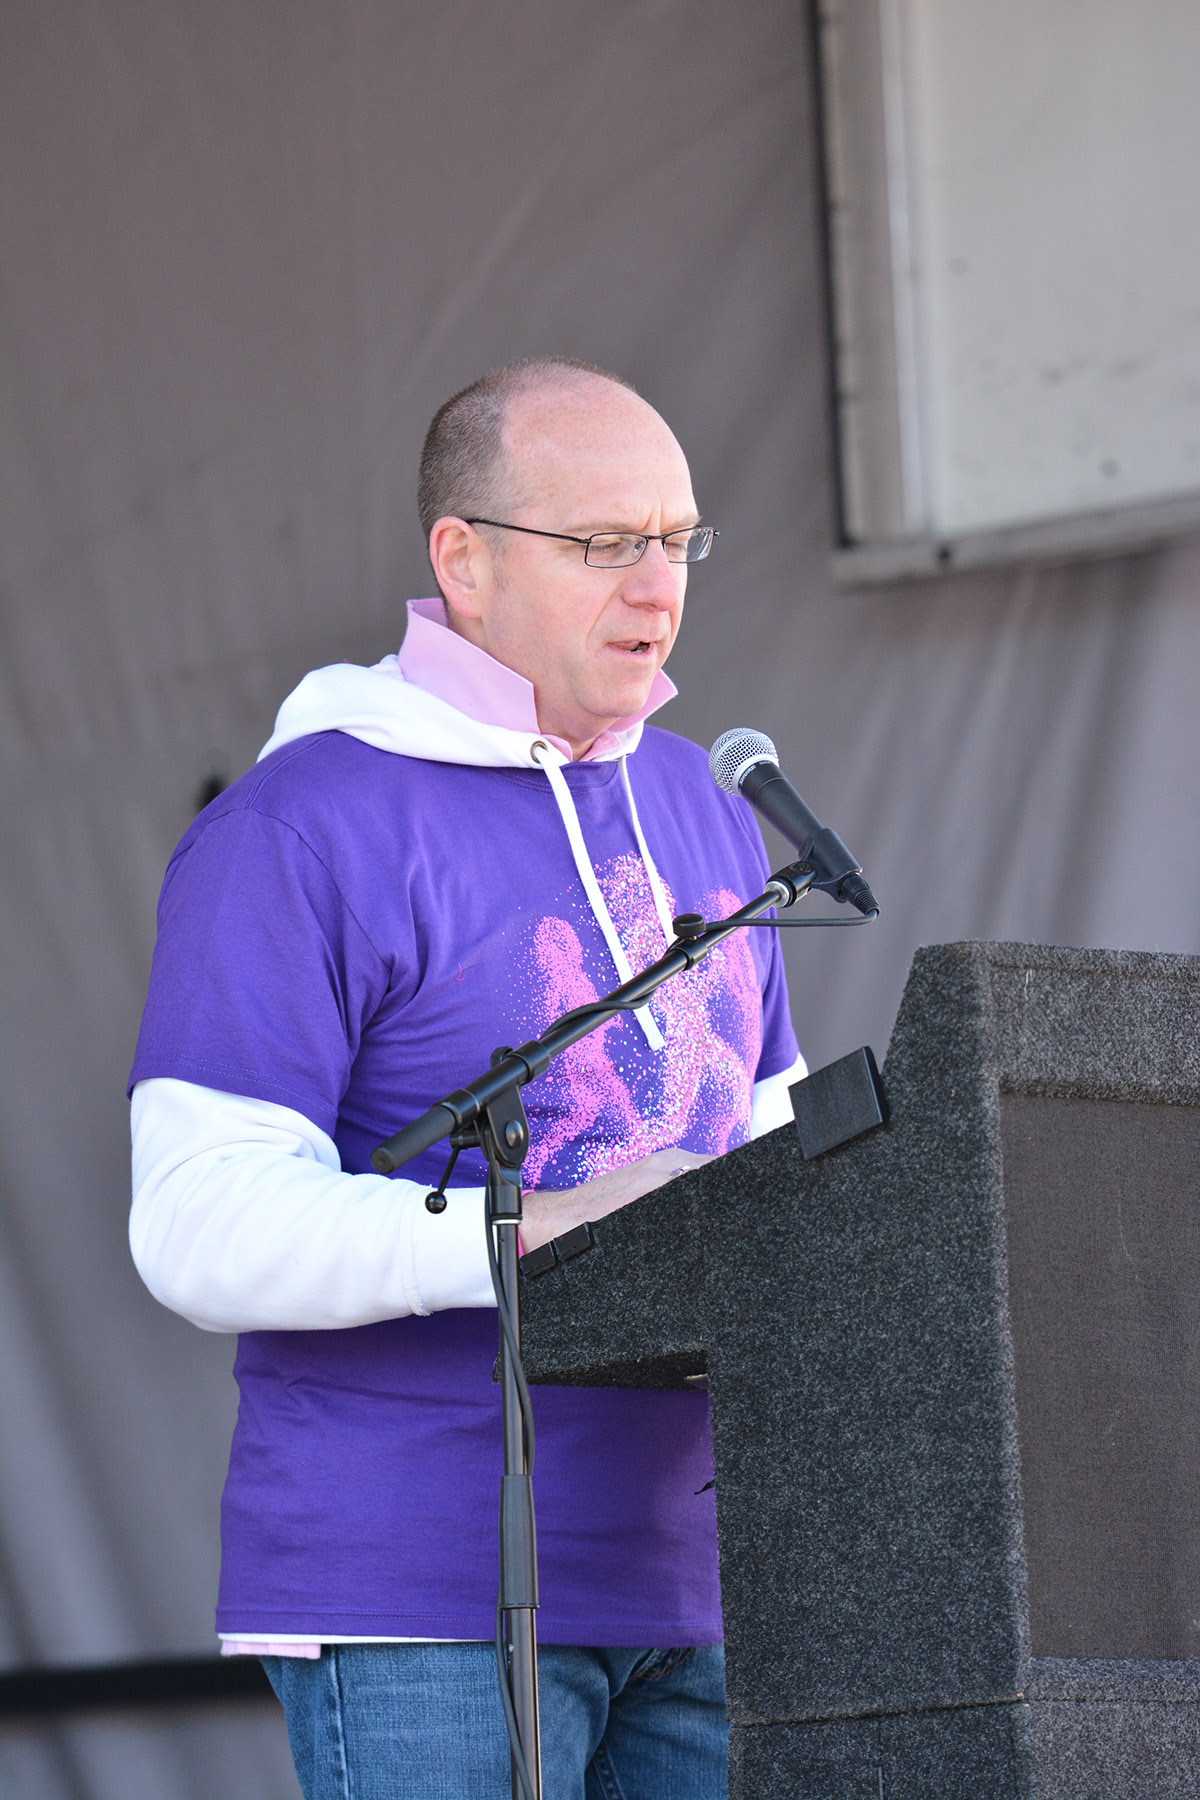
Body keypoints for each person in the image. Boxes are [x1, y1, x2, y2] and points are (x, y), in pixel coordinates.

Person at [129, 356, 803, 1799]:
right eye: (605, 542)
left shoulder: (706, 804)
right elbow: (197, 1225)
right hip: (423, 1593)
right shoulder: (300, 828)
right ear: (466, 560)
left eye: (678, 539)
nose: (658, 585)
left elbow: (778, 1152)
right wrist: (536, 1230)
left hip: (717, 1582)